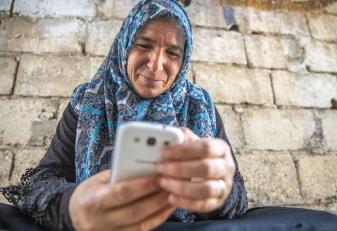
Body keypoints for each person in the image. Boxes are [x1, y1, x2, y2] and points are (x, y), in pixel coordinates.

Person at [1, 0, 248, 230]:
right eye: (144, 45)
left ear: (184, 61)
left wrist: (218, 193)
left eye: (172, 53)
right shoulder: (87, 101)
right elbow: (41, 180)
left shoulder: (200, 106)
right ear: (124, 46)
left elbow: (237, 194)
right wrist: (73, 206)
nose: (155, 65)